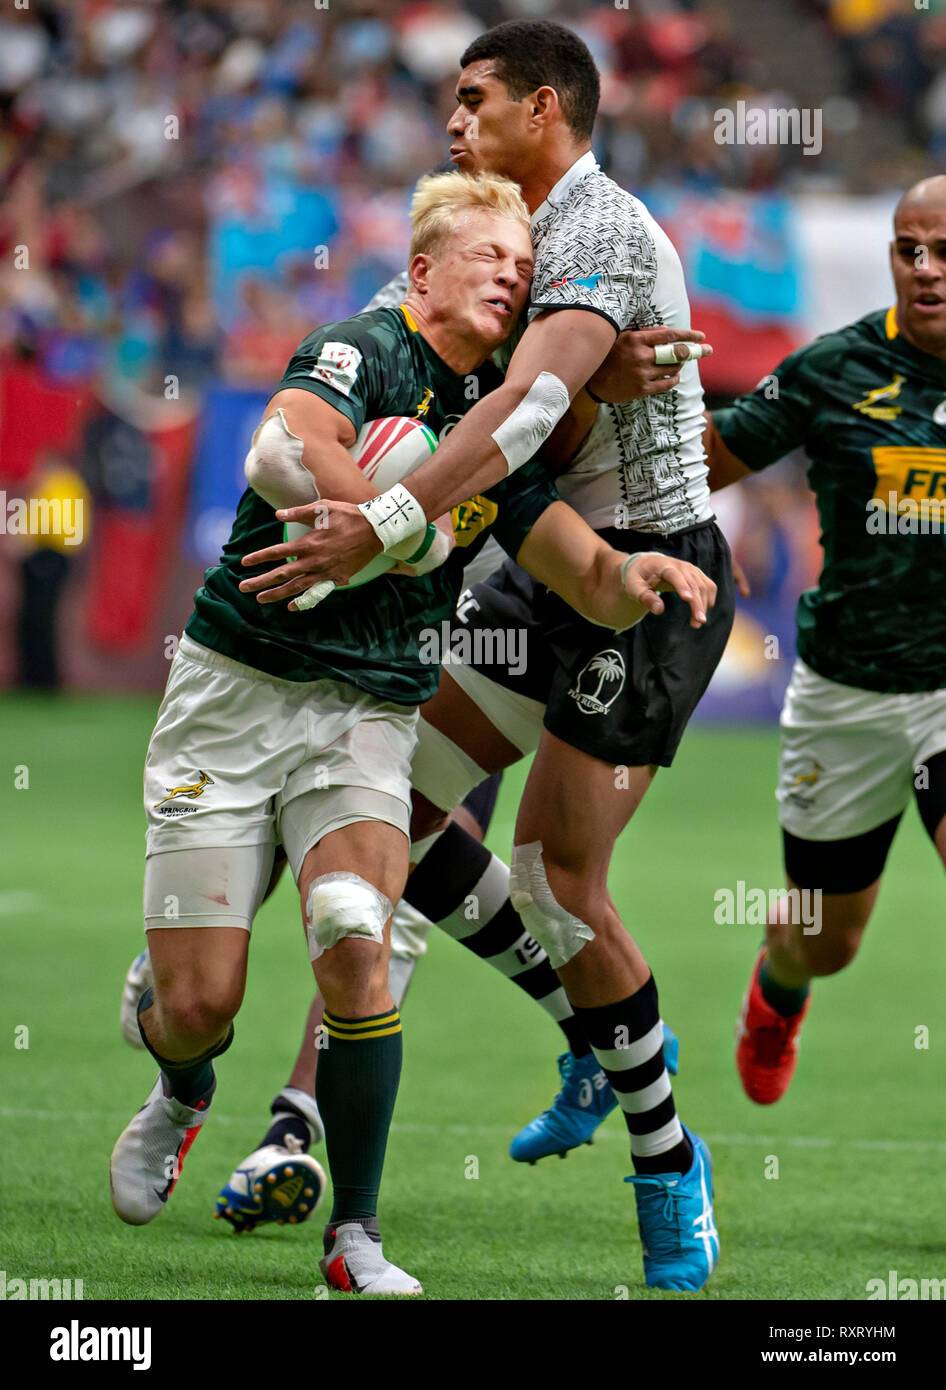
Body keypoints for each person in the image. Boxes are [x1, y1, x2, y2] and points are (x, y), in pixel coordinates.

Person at [109, 169, 716, 1297]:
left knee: (353, 923)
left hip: (370, 713)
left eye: (525, 274)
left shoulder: (497, 420)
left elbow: (573, 561)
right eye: (493, 261)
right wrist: (411, 535)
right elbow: (280, 454)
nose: (513, 281)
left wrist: (636, 572)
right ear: (424, 271)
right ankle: (183, 1089)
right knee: (195, 1006)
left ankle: (358, 1236)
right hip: (234, 690)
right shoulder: (360, 345)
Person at [240, 21, 733, 1292]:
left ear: (547, 105)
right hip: (538, 567)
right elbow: (497, 393)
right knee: (390, 819)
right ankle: (590, 1030)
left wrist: (381, 522)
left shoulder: (600, 229)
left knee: (558, 878)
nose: (453, 123)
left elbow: (526, 411)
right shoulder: (503, 235)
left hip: (639, 582)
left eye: (476, 102)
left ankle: (668, 1158)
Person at [693, 174, 946, 1102]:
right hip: (846, 692)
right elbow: (710, 460)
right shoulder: (834, 369)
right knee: (826, 941)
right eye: (908, 249)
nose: (926, 270)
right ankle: (776, 988)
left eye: (945, 253)